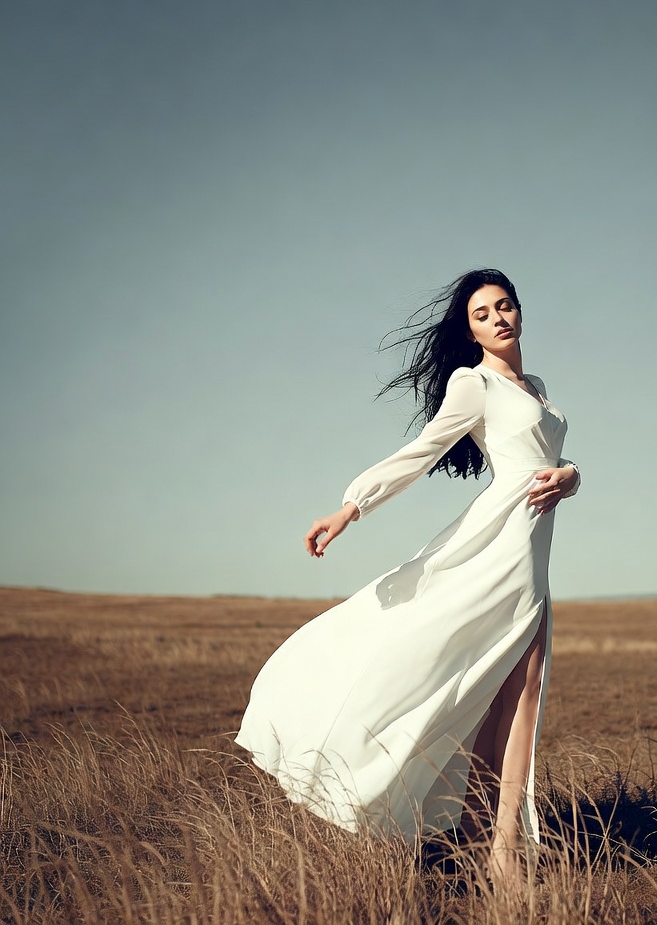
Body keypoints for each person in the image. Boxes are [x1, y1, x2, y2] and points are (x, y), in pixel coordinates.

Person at [235, 269, 580, 891]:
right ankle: (497, 853)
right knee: (475, 675)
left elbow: (551, 461)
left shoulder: (538, 387)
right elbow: (421, 452)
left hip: (532, 551)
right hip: (496, 545)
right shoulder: (473, 383)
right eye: (483, 313)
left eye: (506, 306)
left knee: (520, 696)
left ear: (521, 311)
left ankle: (492, 841)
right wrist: (351, 505)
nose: (499, 318)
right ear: (469, 329)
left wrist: (572, 475)